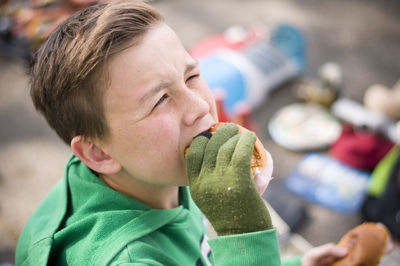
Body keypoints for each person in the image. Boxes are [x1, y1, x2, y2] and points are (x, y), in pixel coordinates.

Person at [15, 0, 348, 265]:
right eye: (160, 100)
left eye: (191, 76)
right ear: (99, 153)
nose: (200, 107)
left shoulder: (157, 171)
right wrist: (241, 230)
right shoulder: (126, 260)